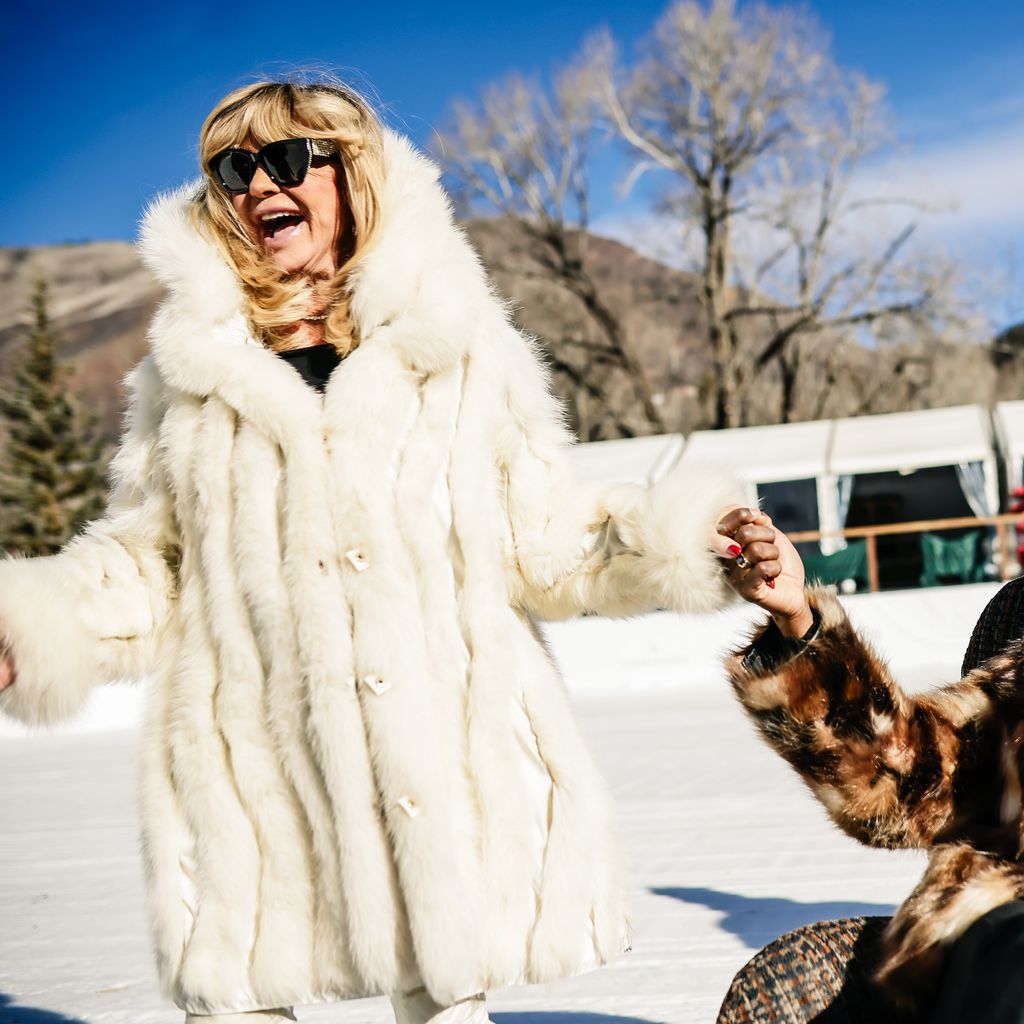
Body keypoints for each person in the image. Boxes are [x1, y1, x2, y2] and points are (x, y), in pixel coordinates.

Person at [0, 79, 744, 1024]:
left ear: (350, 174)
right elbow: (150, 564)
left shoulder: (457, 348)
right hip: (254, 773)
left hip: (432, 766)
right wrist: (34, 624)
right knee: (239, 997)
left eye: (287, 158)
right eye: (234, 168)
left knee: (443, 993)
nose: (258, 183)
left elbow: (544, 535)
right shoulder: (187, 376)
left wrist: (690, 540)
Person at [716, 508, 1024, 1022]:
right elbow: (908, 778)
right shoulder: (1017, 614)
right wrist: (799, 620)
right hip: (995, 927)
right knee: (780, 985)